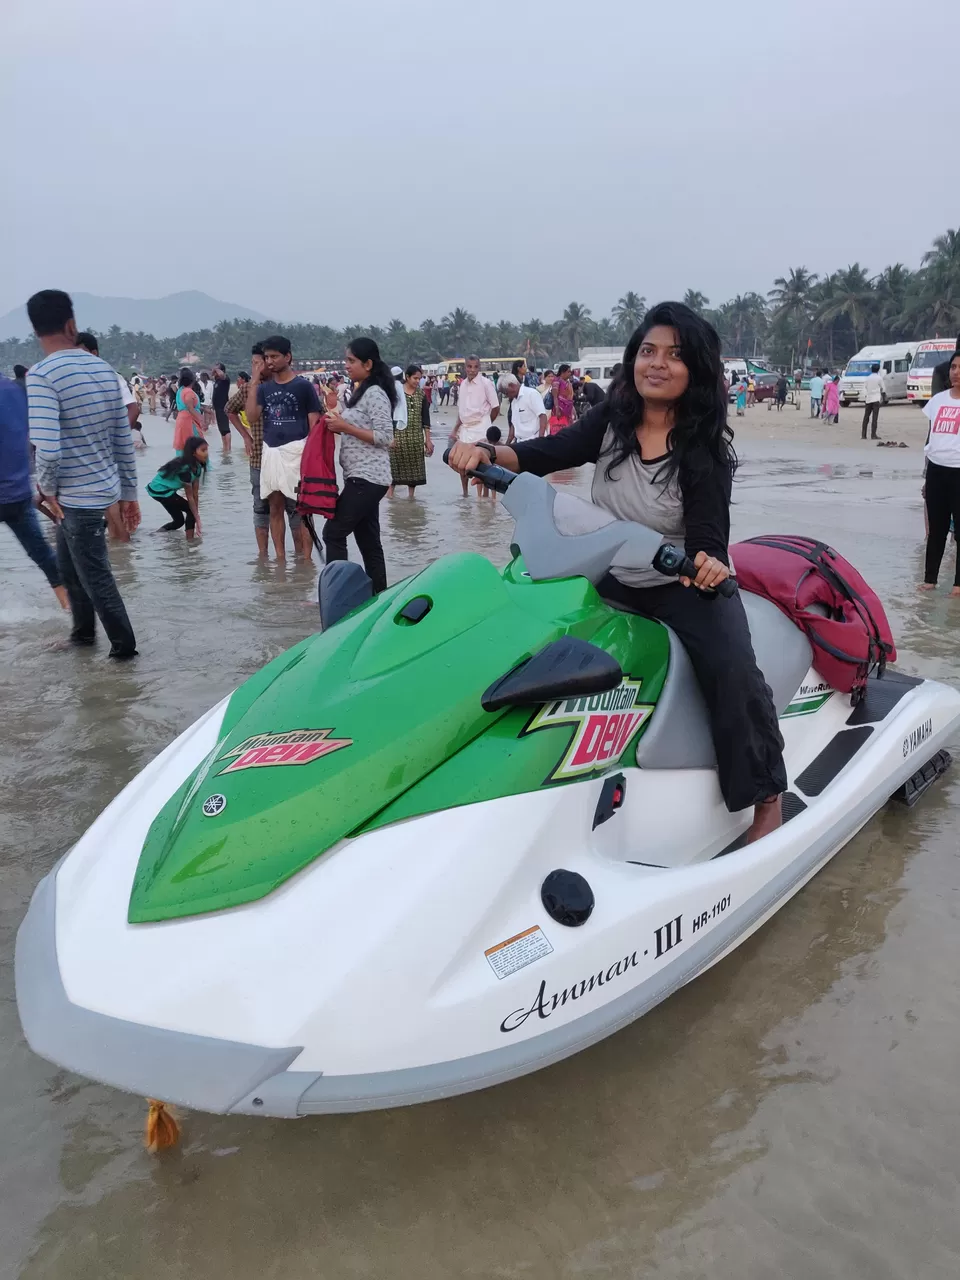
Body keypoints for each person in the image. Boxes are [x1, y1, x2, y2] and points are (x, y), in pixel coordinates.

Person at [447, 301, 786, 842]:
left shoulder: (705, 452)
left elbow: (706, 536)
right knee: (520, 616)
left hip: (677, 582)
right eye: (647, 351)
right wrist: (485, 453)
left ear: (695, 369)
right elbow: (548, 450)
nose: (657, 364)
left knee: (733, 672)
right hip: (604, 566)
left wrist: (705, 566)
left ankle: (766, 798)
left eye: (675, 356)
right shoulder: (613, 420)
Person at [25, 289, 139, 658]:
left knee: (96, 578)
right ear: (71, 324)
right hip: (103, 489)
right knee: (70, 570)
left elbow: (48, 448)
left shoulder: (42, 375)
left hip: (75, 496)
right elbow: (123, 436)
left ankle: (124, 652)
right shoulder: (104, 369)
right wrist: (129, 493)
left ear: (36, 331)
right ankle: (83, 637)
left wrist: (47, 488)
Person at [322, 337, 395, 591]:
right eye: (346, 360)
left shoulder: (375, 393)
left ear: (368, 364)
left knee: (333, 532)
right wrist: (338, 424)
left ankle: (337, 595)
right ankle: (379, 596)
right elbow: (357, 430)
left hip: (368, 477)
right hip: (360, 476)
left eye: (351, 360)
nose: (347, 365)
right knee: (368, 541)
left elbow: (386, 437)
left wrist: (345, 427)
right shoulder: (359, 391)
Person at [245, 335, 320, 559]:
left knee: (302, 510)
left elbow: (314, 424)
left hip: (297, 452)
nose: (270, 361)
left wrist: (311, 457)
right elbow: (251, 417)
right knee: (274, 508)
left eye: (275, 356)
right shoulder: (263, 389)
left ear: (288, 357)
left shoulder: (303, 387)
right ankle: (279, 560)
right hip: (271, 452)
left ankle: (306, 561)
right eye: (266, 357)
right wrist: (255, 381)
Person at [0, 371, 69, 610]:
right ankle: (74, 613)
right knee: (43, 555)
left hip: (13, 491)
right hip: (19, 492)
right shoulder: (17, 391)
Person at [919, 351, 960, 595]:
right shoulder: (938, 401)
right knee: (937, 530)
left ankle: (958, 584)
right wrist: (926, 475)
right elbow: (931, 436)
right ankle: (930, 579)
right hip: (936, 470)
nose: (956, 371)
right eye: (953, 367)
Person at [452, 355, 500, 496]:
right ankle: (465, 493)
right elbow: (462, 410)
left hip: (481, 426)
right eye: (469, 366)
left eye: (475, 367)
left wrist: (487, 424)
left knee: (482, 464)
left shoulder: (486, 383)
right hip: (465, 428)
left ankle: (484, 496)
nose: (472, 370)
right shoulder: (462, 384)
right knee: (461, 461)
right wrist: (455, 429)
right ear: (465, 367)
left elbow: (495, 407)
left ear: (479, 367)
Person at [146, 436, 208, 540]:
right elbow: (190, 496)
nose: (206, 453)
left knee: (179, 522)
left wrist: (197, 516)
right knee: (190, 510)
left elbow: (195, 494)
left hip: (163, 491)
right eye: (203, 450)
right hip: (160, 490)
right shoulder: (185, 470)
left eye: (206, 450)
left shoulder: (197, 468)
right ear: (193, 452)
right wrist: (196, 517)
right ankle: (190, 542)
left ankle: (154, 535)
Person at [387, 363, 433, 498]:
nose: (417, 381)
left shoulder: (421, 395)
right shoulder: (396, 394)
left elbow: (426, 419)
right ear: (407, 377)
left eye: (419, 379)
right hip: (398, 438)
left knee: (414, 473)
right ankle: (390, 498)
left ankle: (411, 498)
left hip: (415, 439)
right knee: (394, 470)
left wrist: (428, 440)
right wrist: (390, 437)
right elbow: (390, 417)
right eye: (415, 378)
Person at [500, 372, 548, 444]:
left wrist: (540, 440)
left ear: (512, 385)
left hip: (534, 441)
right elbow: (514, 424)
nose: (507, 396)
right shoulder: (514, 401)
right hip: (520, 442)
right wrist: (507, 444)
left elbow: (543, 416)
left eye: (506, 393)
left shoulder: (531, 394)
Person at [173, 368, 205, 452]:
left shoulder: (180, 390)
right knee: (196, 444)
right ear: (192, 380)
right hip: (189, 421)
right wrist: (201, 418)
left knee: (183, 443)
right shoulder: (188, 392)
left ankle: (182, 463)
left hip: (181, 419)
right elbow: (190, 408)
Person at [225, 369, 254, 456]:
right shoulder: (244, 388)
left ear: (243, 379)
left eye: (239, 378)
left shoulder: (246, 388)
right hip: (243, 412)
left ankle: (248, 450)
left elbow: (230, 408)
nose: (237, 380)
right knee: (248, 430)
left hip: (246, 412)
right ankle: (248, 449)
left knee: (248, 430)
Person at [211, 363, 232, 452]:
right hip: (217, 408)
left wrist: (216, 369)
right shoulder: (217, 381)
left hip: (223, 407)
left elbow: (221, 375)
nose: (215, 372)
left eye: (217, 370)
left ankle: (228, 448)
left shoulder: (225, 379)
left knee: (226, 429)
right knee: (221, 430)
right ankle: (225, 448)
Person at [861, 363, 884, 440]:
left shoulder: (868, 378)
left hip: (868, 398)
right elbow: (883, 388)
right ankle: (873, 434)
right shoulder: (879, 378)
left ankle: (863, 435)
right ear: (878, 370)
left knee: (866, 417)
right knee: (875, 418)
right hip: (876, 398)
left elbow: (864, 388)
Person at [552, 364, 575, 429]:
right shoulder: (556, 381)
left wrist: (573, 409)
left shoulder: (568, 382)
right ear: (562, 372)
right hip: (560, 409)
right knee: (559, 428)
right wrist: (557, 409)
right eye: (568, 372)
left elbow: (570, 398)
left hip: (568, 408)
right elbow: (555, 396)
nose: (570, 373)